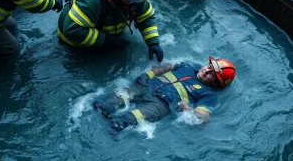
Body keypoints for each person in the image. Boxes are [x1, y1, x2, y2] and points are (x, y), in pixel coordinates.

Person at [93, 56, 235, 132]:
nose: (206, 70)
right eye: (209, 66)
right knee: (107, 102)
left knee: (125, 121)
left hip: (161, 105)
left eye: (211, 74)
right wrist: (147, 75)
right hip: (147, 87)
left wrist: (188, 110)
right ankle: (101, 108)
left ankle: (116, 125)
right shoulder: (190, 66)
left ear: (217, 84)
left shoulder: (209, 94)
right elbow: (167, 67)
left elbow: (203, 119)